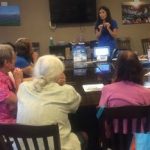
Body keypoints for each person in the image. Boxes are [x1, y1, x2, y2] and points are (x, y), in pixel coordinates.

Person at [16, 55, 87, 150]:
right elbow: (75, 107)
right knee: (84, 135)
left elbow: (38, 82)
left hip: (25, 147)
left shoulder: (23, 87)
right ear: (59, 73)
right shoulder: (66, 91)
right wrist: (62, 85)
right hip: (56, 146)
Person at [98, 50, 150, 150]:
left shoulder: (107, 90)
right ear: (139, 69)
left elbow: (100, 114)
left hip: (114, 142)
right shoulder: (147, 93)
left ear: (117, 69)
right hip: (141, 144)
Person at [0, 44, 23, 124]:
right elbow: (18, 101)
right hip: (5, 126)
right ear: (6, 62)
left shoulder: (5, 74)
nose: (15, 61)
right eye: (14, 59)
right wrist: (18, 81)